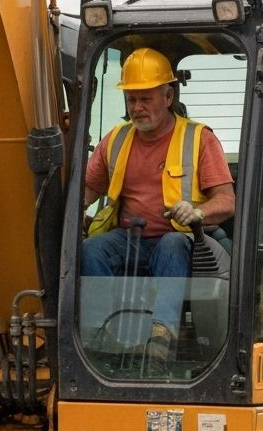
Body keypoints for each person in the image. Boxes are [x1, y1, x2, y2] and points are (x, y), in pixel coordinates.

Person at [82, 47, 236, 373]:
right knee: (91, 249)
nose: (137, 108)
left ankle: (160, 340)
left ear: (167, 96)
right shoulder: (116, 139)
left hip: (181, 240)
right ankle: (99, 340)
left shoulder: (199, 139)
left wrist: (197, 213)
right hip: (129, 238)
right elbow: (87, 191)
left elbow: (226, 201)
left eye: (146, 99)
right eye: (131, 100)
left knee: (171, 244)